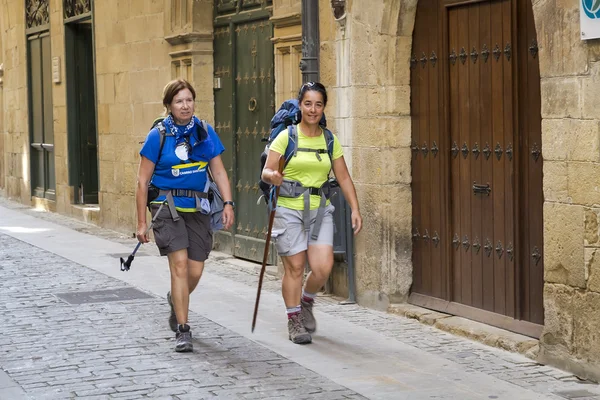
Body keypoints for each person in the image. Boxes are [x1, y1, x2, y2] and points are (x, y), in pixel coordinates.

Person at [136, 79, 234, 352]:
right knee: (178, 266)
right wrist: (142, 223)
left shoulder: (204, 131)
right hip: (166, 208)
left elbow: (219, 171)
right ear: (169, 105)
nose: (185, 105)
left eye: (189, 100)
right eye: (179, 101)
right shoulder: (158, 135)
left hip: (199, 207)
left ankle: (175, 299)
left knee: (195, 270)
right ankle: (183, 329)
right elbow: (142, 181)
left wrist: (228, 203)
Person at [261, 82, 362, 344]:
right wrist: (274, 176)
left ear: (323, 107)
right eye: (308, 103)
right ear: (300, 105)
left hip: (319, 209)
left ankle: (306, 301)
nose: (313, 109)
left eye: (318, 104)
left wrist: (355, 208)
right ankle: (294, 320)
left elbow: (343, 177)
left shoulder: (329, 140)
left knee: (322, 267)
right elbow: (266, 171)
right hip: (289, 208)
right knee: (295, 267)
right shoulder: (287, 137)